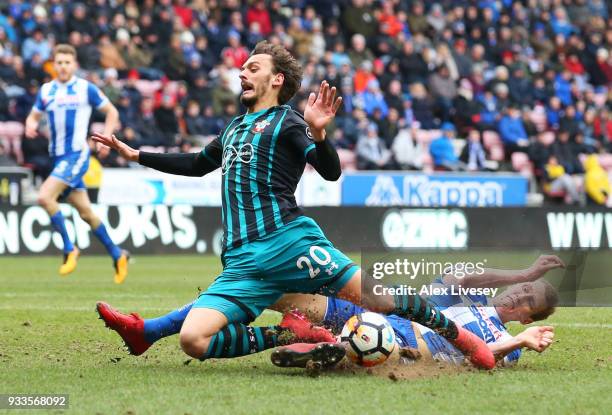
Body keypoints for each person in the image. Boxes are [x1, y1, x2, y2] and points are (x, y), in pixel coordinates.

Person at [93, 41, 494, 370]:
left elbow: (330, 171)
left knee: (380, 298)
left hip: (289, 242)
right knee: (193, 341)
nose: (242, 73)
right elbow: (198, 165)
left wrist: (319, 135)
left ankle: (461, 337)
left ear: (276, 79)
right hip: (242, 261)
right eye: (243, 68)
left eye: (252, 67)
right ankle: (289, 334)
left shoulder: (287, 122)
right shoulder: (233, 128)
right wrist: (137, 155)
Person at [94, 255, 562, 369]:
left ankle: (315, 345)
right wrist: (522, 269)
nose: (517, 297)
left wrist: (518, 343)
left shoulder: (508, 341)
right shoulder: (472, 299)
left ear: (527, 318)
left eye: (527, 303)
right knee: (265, 290)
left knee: (373, 342)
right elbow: (462, 276)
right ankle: (149, 331)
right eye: (521, 288)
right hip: (374, 308)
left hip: (401, 347)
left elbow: (490, 355)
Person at [24, 44, 129, 283]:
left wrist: (106, 139)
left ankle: (69, 248)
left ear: (74, 65)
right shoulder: (46, 90)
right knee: (86, 213)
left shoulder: (85, 89)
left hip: (77, 155)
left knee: (44, 197)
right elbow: (33, 115)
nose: (62, 66)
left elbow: (112, 112)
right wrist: (30, 124)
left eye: (67, 62)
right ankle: (117, 254)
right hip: (58, 158)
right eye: (59, 62)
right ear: (54, 65)